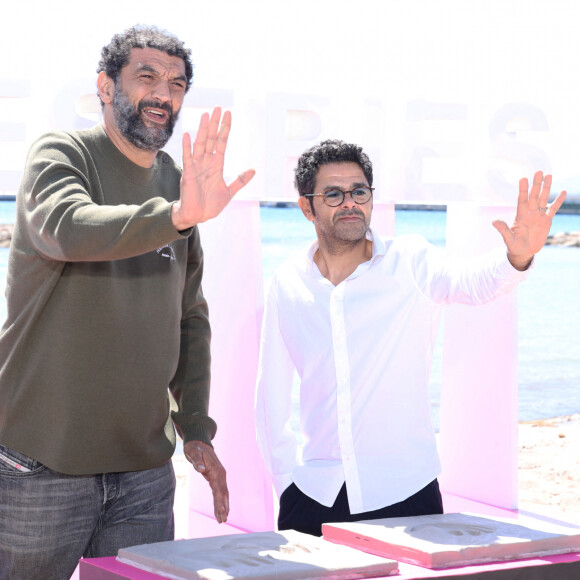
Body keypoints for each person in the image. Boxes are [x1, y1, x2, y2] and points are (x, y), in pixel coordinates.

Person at [0, 25, 254, 579]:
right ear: (104, 85)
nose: (164, 94)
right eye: (147, 77)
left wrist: (195, 428)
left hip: (144, 471)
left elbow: (190, 319)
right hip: (40, 461)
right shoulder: (61, 154)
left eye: (177, 84)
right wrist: (177, 216)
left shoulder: (180, 186)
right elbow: (67, 228)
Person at [255, 139, 566, 537]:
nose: (349, 202)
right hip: (315, 496)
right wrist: (287, 486)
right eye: (333, 194)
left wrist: (517, 257)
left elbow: (473, 283)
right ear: (306, 207)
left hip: (407, 494)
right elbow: (270, 397)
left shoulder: (412, 262)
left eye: (359, 191)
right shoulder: (287, 283)